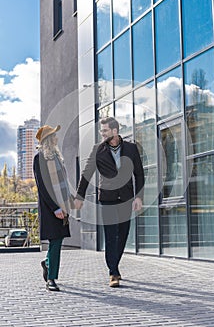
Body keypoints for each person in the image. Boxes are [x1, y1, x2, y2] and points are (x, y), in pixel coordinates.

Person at [74, 117, 144, 287]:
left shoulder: (131, 148)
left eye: (104, 130)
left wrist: (139, 197)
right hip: (107, 198)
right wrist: (79, 196)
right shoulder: (98, 149)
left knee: (123, 234)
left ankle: (115, 265)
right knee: (111, 236)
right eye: (101, 130)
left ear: (114, 131)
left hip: (126, 198)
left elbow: (139, 174)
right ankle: (113, 272)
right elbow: (87, 173)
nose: (102, 133)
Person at [33, 124, 73, 292]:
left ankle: (47, 263)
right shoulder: (39, 158)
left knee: (58, 241)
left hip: (62, 205)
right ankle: (51, 278)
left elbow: (63, 183)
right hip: (50, 207)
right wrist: (55, 208)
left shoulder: (57, 157)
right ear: (48, 139)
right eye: (54, 135)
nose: (57, 137)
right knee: (55, 241)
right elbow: (43, 187)